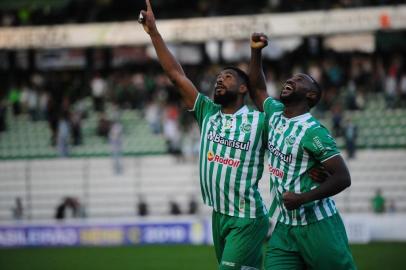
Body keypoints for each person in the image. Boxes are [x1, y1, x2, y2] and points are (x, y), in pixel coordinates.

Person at [139, 2, 269, 268]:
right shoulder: (207, 113)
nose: (220, 80)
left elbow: (288, 141)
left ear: (244, 88)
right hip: (219, 215)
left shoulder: (259, 122)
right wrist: (154, 33)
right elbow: (176, 75)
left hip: (246, 217)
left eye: (228, 77)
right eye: (219, 77)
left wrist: (317, 166)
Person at [248, 33, 356, 270]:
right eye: (291, 77)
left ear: (311, 95)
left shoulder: (313, 132)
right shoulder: (275, 113)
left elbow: (342, 177)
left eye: (299, 79)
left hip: (317, 226)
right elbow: (256, 87)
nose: (291, 79)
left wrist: (302, 198)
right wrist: (256, 51)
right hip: (284, 228)